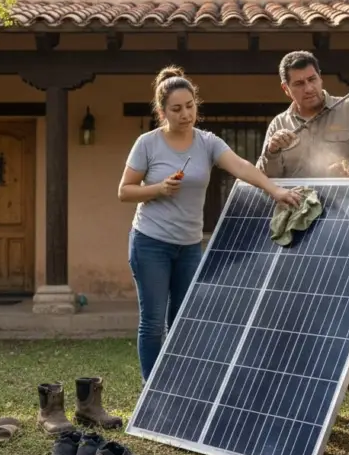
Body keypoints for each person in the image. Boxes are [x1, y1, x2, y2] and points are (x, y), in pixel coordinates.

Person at [118, 65, 302, 383]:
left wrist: (276, 190)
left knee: (183, 319)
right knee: (153, 321)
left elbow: (242, 166)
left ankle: (179, 384)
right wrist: (158, 189)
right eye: (176, 109)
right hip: (150, 243)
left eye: (190, 106)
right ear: (162, 111)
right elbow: (124, 191)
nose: (186, 114)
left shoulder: (207, 142)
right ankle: (153, 391)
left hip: (189, 245)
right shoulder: (147, 144)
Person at [255, 50, 349, 403]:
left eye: (312, 79)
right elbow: (265, 178)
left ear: (320, 77)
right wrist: (270, 152)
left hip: (345, 224)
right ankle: (307, 392)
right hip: (299, 230)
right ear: (286, 89)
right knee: (296, 310)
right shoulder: (278, 126)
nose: (308, 88)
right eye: (299, 84)